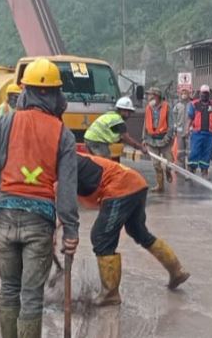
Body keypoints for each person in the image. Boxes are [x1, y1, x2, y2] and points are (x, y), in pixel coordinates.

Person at [0, 58, 80, 338]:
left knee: (9, 289)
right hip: (40, 219)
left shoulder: (7, 121)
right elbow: (66, 187)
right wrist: (71, 229)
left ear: (24, 90)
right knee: (31, 296)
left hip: (5, 215)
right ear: (57, 95)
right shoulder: (63, 134)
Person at [76, 152, 190, 306]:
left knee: (101, 237)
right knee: (137, 231)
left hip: (120, 188)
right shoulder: (71, 157)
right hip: (135, 182)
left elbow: (64, 205)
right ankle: (176, 270)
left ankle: (110, 294)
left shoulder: (64, 163)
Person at [84, 97, 144, 162]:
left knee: (94, 162)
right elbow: (126, 138)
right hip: (98, 141)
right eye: (128, 112)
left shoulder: (110, 115)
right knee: (106, 164)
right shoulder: (119, 121)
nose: (129, 115)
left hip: (88, 138)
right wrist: (140, 147)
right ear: (122, 110)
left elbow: (116, 135)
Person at [185, 85, 212, 179]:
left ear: (208, 94)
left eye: (206, 93)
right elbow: (190, 118)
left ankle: (204, 171)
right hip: (197, 133)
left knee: (207, 153)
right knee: (194, 151)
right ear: (200, 93)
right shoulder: (194, 104)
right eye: (203, 93)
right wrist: (186, 130)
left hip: (210, 134)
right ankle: (191, 170)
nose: (204, 95)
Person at [142, 88, 175, 192]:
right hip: (151, 140)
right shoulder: (148, 108)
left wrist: (167, 137)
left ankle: (168, 171)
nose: (148, 97)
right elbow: (145, 124)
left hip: (165, 139)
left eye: (149, 95)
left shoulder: (167, 106)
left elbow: (171, 124)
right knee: (156, 164)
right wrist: (144, 138)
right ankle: (160, 185)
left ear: (156, 96)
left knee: (168, 163)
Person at [171, 88, 192, 167]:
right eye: (182, 93)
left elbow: (194, 117)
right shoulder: (177, 106)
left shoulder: (191, 105)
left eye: (185, 93)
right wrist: (175, 128)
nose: (184, 95)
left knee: (189, 152)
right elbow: (174, 118)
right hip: (179, 131)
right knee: (180, 152)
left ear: (188, 94)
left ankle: (190, 170)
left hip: (189, 132)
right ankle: (181, 168)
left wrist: (191, 127)